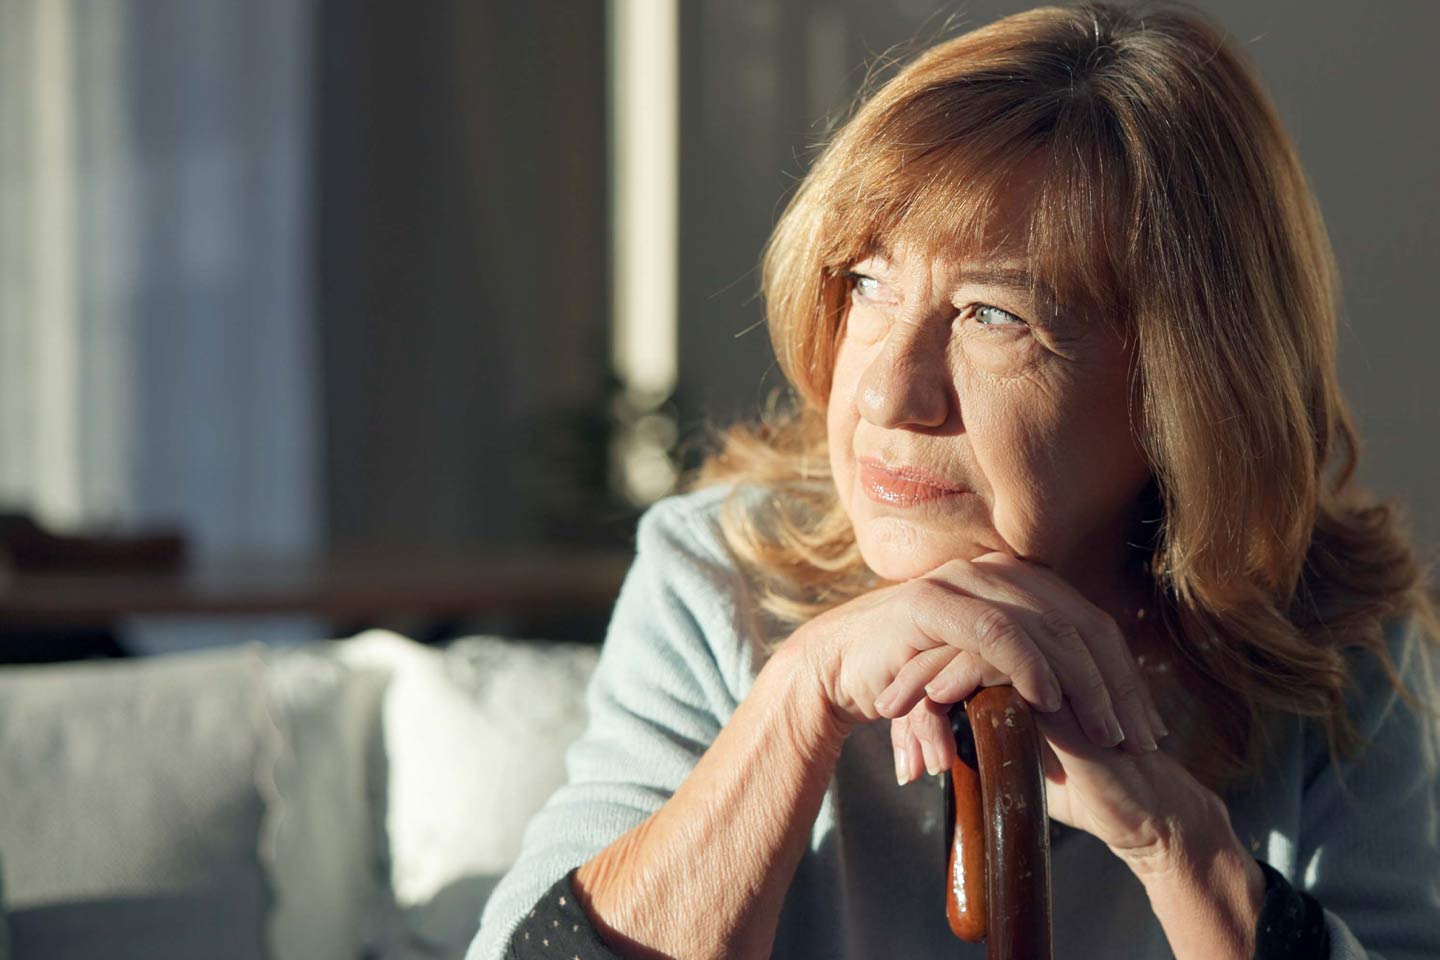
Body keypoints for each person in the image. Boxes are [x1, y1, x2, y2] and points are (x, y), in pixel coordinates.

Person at [469, 3, 1440, 957]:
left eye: (992, 316)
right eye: (868, 285)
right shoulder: (718, 576)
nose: (889, 392)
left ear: (1183, 385)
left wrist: (1177, 845)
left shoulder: (1341, 652)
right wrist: (798, 699)